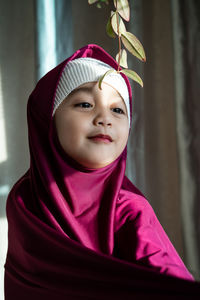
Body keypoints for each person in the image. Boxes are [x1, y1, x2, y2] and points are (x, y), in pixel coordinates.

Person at [4, 44, 200, 299]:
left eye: (118, 110)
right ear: (47, 119)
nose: (104, 118)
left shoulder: (129, 209)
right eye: (85, 104)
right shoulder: (24, 201)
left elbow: (172, 285)